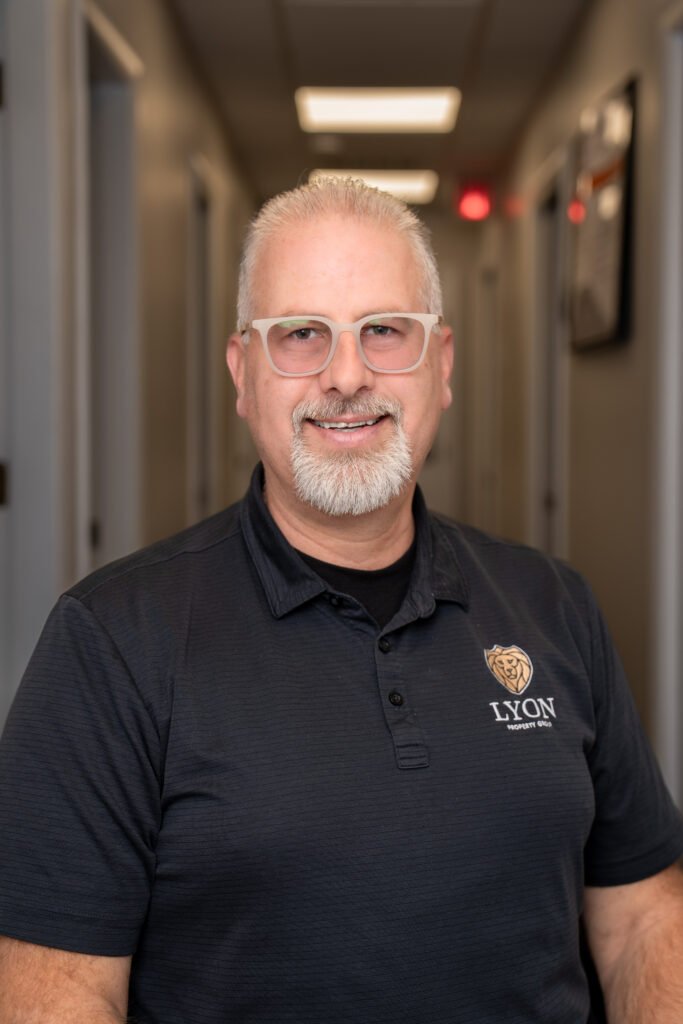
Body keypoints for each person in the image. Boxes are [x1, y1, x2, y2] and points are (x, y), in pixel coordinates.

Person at [0, 177, 682, 1024]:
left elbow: (642, 919)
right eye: (300, 336)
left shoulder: (555, 605)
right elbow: (56, 995)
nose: (346, 375)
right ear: (242, 372)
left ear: (441, 366)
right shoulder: (109, 643)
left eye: (385, 331)